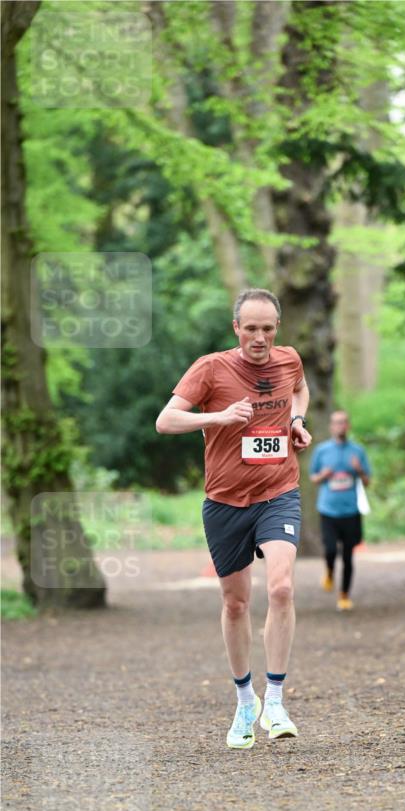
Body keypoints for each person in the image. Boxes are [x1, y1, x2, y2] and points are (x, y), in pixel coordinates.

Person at [156, 288, 311, 749]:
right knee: (236, 603)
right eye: (251, 329)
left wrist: (297, 422)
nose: (259, 338)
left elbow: (299, 390)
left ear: (276, 328)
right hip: (225, 502)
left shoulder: (289, 361)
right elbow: (165, 421)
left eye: (267, 328)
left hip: (278, 491)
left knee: (282, 587)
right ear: (236, 329)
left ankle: (277, 699)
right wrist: (219, 417)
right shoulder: (211, 368)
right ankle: (246, 701)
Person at [309, 411, 371, 611]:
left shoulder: (358, 451)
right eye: (336, 423)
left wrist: (359, 469)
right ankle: (328, 571)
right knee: (330, 550)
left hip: (351, 510)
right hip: (328, 509)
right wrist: (324, 475)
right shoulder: (322, 450)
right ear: (331, 427)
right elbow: (313, 478)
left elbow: (367, 482)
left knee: (347, 555)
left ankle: (344, 595)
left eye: (343, 423)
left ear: (348, 426)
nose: (340, 426)